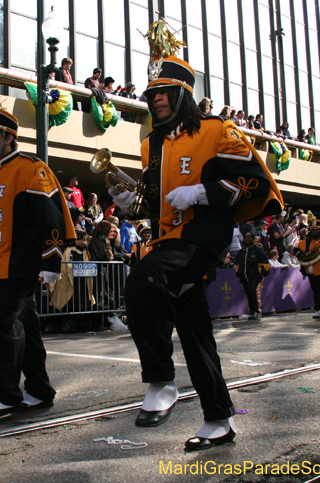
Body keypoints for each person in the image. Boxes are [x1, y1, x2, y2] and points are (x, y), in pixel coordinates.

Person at [108, 24, 283, 451]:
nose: (156, 98)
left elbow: (258, 185)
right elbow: (159, 202)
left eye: (164, 91)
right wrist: (134, 202)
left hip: (203, 236)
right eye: (151, 93)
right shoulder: (152, 145)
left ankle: (161, 382)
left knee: (142, 281)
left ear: (184, 93)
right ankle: (220, 419)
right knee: (195, 332)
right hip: (168, 240)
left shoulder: (218, 130)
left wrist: (205, 192)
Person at [0, 106, 75, 417]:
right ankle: (39, 389)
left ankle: (6, 394)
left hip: (19, 264)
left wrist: (50, 263)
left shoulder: (31, 168)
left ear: (9, 138)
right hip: (0, 264)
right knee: (25, 327)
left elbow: (51, 218)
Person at [294, 217, 320, 320]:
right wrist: (301, 254)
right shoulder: (304, 242)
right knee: (315, 289)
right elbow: (296, 249)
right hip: (311, 269)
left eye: (317, 229)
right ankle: (318, 309)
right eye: (312, 229)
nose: (314, 232)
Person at [234, 233, 270, 319]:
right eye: (246, 237)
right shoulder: (241, 251)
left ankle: (257, 311)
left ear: (253, 239)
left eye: (249, 237)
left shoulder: (258, 250)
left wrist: (263, 272)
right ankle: (252, 312)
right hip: (245, 277)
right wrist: (239, 273)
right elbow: (237, 264)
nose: (247, 239)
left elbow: (265, 263)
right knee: (248, 293)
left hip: (255, 276)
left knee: (253, 290)